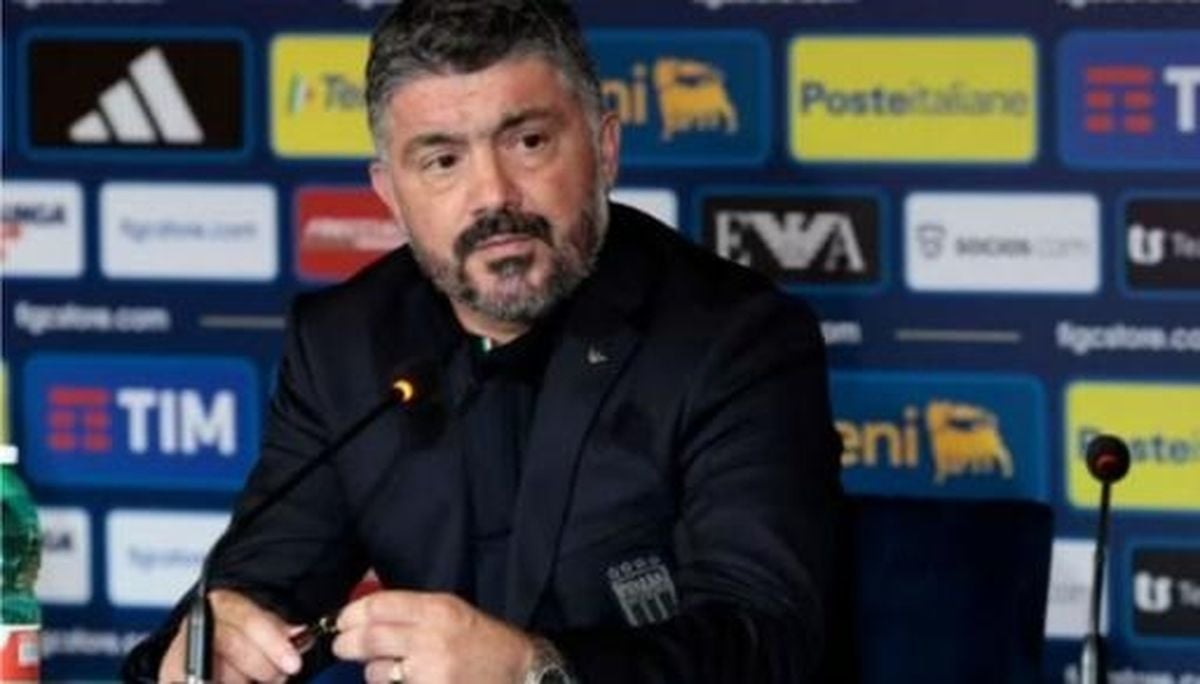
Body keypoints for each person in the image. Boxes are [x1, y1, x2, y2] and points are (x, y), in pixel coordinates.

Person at [124, 1, 843, 681]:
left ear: (605, 148)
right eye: (443, 161)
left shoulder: (734, 339)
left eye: (528, 142)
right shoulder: (342, 343)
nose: (493, 195)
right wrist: (211, 648)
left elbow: (765, 640)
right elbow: (257, 589)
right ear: (390, 195)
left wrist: (533, 670)